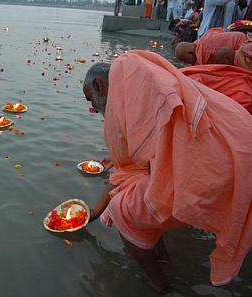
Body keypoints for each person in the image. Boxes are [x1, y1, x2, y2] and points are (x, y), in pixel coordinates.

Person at [82, 50, 252, 293]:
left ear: (99, 85)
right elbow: (132, 166)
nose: (93, 107)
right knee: (148, 190)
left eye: (91, 99)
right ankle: (160, 253)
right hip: (237, 152)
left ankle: (159, 282)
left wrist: (101, 209)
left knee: (123, 209)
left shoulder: (127, 73)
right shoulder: (136, 89)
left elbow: (136, 168)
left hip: (213, 172)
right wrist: (96, 210)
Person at [174, 27, 249, 64]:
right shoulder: (199, 58)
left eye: (186, 60)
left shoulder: (209, 42)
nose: (186, 63)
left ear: (190, 53)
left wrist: (238, 58)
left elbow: (239, 37)